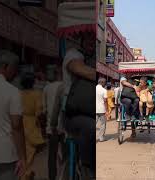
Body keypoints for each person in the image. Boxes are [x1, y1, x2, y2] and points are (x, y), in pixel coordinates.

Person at [0, 50, 26, 180]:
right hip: (6, 156)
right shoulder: (12, 92)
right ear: (6, 67)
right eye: (14, 69)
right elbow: (16, 126)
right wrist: (22, 157)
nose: (15, 73)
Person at [62, 32, 96, 178]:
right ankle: (87, 168)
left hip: (90, 110)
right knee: (91, 127)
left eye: (94, 41)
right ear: (81, 39)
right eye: (88, 39)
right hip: (73, 114)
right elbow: (78, 69)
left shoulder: (94, 59)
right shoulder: (73, 54)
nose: (91, 43)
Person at [19, 72, 46, 180]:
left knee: (21, 154)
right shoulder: (37, 94)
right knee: (30, 155)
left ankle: (23, 174)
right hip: (32, 125)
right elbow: (39, 113)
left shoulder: (17, 93)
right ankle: (25, 175)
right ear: (33, 82)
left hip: (19, 123)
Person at [43, 69, 64, 180]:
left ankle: (52, 177)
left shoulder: (47, 88)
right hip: (64, 127)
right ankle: (64, 175)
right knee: (66, 154)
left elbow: (44, 109)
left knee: (52, 155)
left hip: (51, 127)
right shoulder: (65, 86)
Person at [96, 78, 108, 142]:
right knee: (103, 123)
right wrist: (107, 110)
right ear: (103, 82)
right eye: (105, 82)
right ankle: (101, 137)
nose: (105, 84)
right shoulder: (104, 90)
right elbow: (105, 101)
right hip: (101, 109)